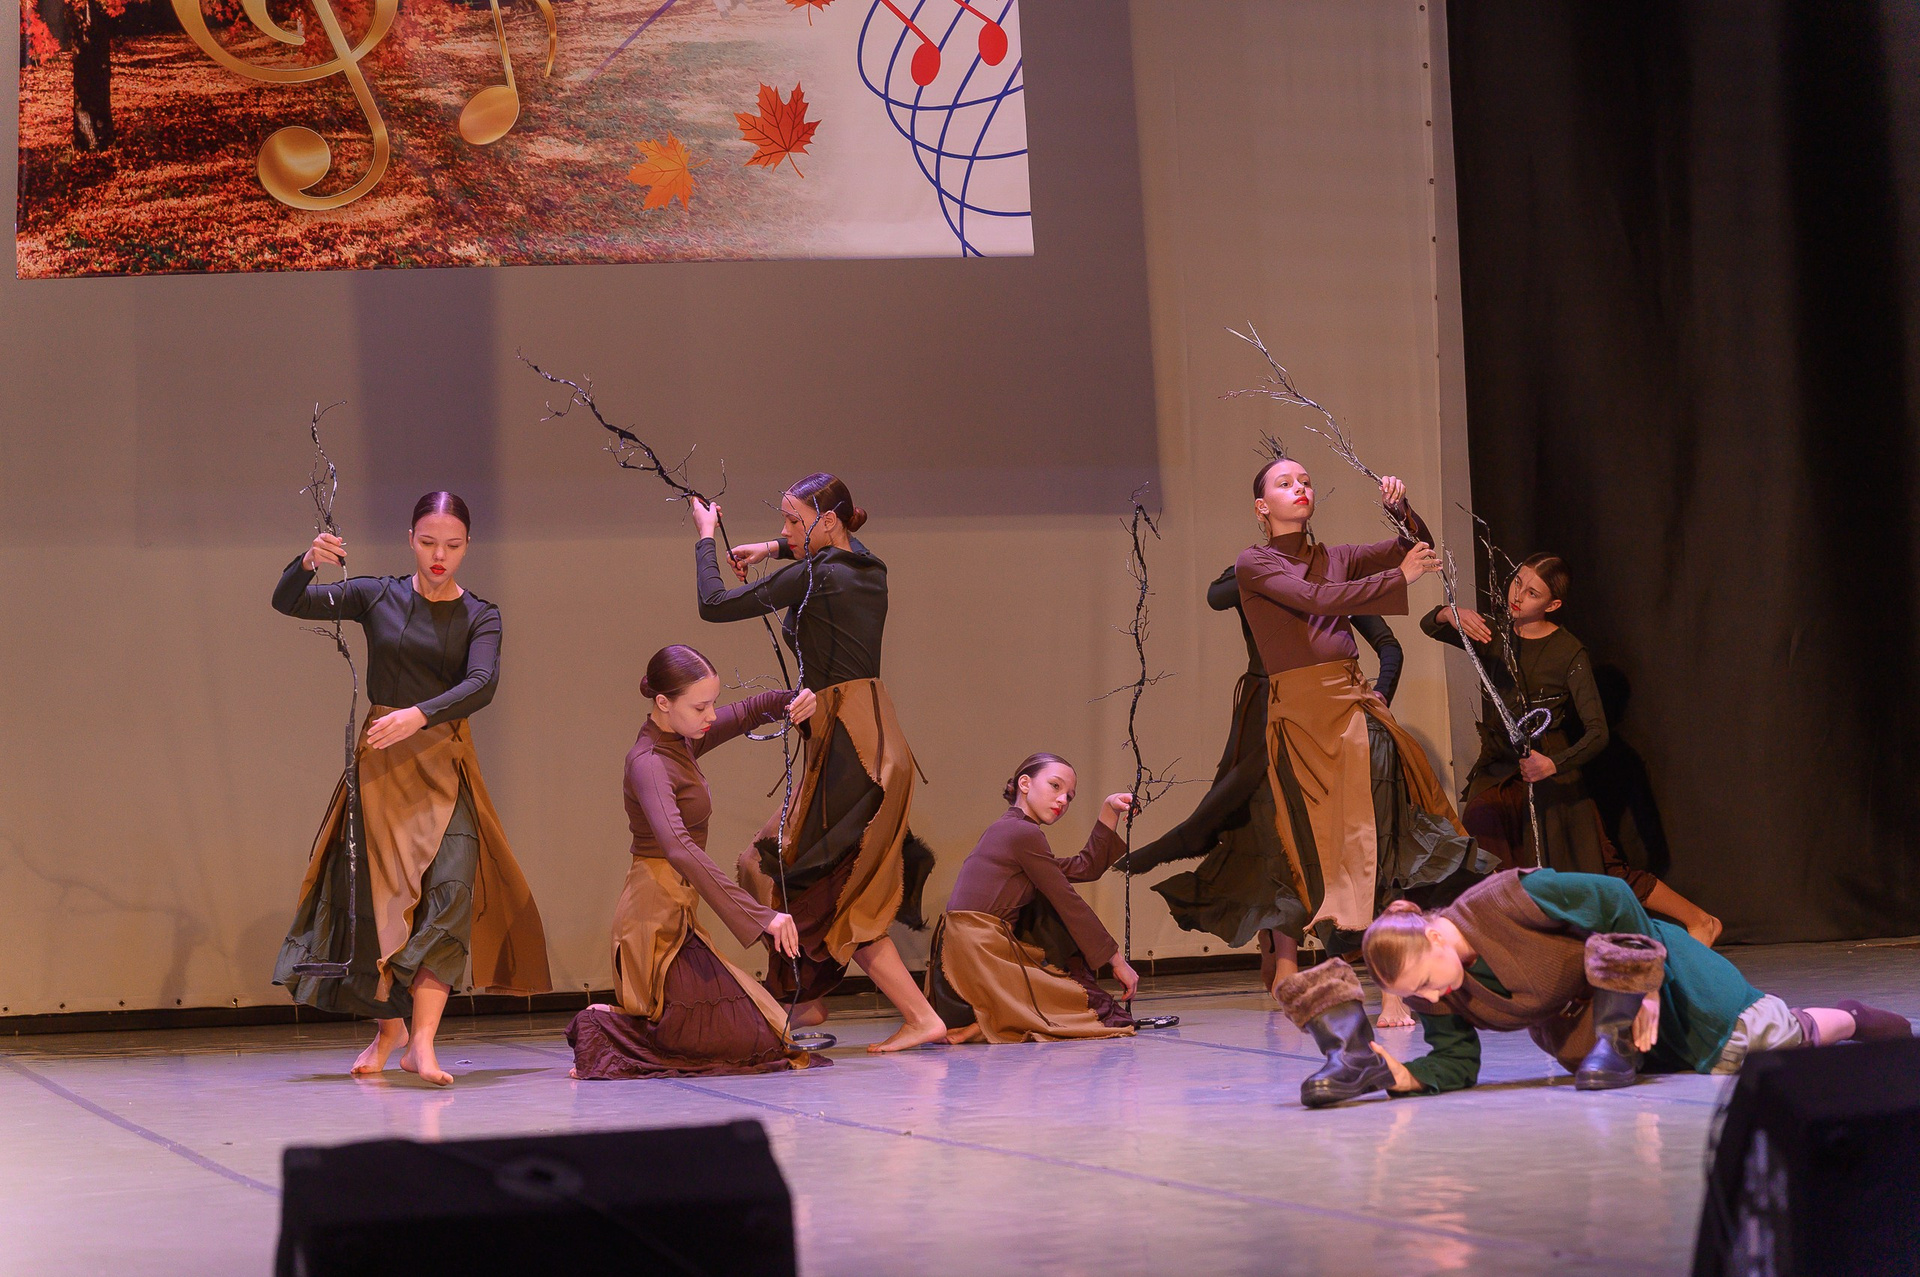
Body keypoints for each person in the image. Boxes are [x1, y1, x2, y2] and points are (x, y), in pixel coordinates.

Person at [272, 492, 549, 1086]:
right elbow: (288, 602)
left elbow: (482, 682)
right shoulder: (379, 595)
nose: (439, 555)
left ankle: (423, 1042)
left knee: (450, 892)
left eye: (452, 545)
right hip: (383, 770)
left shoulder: (481, 614)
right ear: (410, 540)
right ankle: (390, 1030)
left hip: (444, 763)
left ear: (467, 546)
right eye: (428, 543)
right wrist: (309, 561)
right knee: (375, 905)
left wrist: (419, 715)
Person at [1235, 457, 1493, 1027]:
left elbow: (1416, 547)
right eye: (1285, 483)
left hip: (1351, 709)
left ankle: (1394, 986)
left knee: (1378, 839)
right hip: (1300, 722)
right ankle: (1309, 966)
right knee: (1317, 852)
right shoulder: (1254, 563)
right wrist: (1399, 578)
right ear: (1262, 507)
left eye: (1305, 481)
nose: (1300, 488)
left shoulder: (1338, 556)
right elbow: (1317, 599)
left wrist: (1402, 512)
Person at [693, 473, 946, 1052]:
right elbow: (822, 552)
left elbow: (714, 605)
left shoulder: (818, 576)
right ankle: (803, 997)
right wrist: (773, 548)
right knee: (778, 870)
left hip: (852, 751)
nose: (784, 529)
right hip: (866, 742)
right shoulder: (867, 567)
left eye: (792, 520)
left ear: (828, 521)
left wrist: (706, 535)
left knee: (820, 887)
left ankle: (913, 1015)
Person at [1322, 869, 1913, 1102]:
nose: (1430, 999)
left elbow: (1615, 895)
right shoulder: (1437, 986)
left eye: (1426, 982)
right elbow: (1455, 1059)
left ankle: (1851, 1017)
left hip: (1668, 978)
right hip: (1603, 1035)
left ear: (1436, 937)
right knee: (1704, 1070)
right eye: (1418, 995)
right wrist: (1407, 1076)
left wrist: (1645, 984)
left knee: (1762, 1044)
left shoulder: (1509, 899)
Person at [1121, 562, 1406, 996]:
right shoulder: (1257, 573)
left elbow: (1388, 645)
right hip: (1266, 714)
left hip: (1327, 716)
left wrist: (1379, 695)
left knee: (1330, 833)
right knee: (1265, 827)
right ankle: (1280, 948)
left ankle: (1295, 945)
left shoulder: (1335, 577)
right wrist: (1270, 576)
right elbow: (1216, 596)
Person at [1424, 554, 1722, 946]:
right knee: (1486, 853)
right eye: (1517, 582)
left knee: (1596, 868)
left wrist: (1552, 765)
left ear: (1552, 605)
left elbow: (1598, 732)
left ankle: (1701, 921)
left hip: (1550, 766)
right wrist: (1448, 612)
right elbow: (1430, 626)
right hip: (1499, 766)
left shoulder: (1568, 652)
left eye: (1533, 593)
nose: (1518, 596)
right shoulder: (1493, 633)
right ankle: (1508, 947)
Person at [568, 645, 830, 1079]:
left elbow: (750, 710)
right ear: (663, 703)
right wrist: (761, 916)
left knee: (764, 1033)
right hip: (653, 918)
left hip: (678, 908)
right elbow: (678, 847)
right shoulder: (649, 762)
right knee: (747, 1040)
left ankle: (626, 1022)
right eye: (700, 706)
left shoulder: (682, 740)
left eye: (712, 703)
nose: (711, 715)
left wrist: (794, 700)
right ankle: (602, 1026)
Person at [927, 754, 1140, 1044]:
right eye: (1055, 786)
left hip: (958, 956)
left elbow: (1084, 867)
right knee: (1100, 1013)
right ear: (1024, 784)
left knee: (1042, 904)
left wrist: (1109, 809)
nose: (1063, 799)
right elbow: (1068, 901)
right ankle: (994, 1019)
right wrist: (1117, 961)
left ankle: (990, 1019)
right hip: (979, 952)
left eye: (1070, 796)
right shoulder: (1022, 833)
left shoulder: (1011, 830)